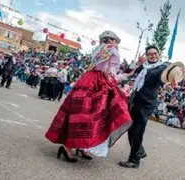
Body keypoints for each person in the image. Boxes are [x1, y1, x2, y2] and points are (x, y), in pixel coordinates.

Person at [45, 30, 132, 163]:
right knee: (95, 114)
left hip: (88, 79)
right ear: (112, 41)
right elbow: (111, 72)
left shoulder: (97, 49)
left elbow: (97, 67)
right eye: (115, 41)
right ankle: (73, 147)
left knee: (79, 112)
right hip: (101, 81)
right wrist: (127, 75)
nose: (115, 44)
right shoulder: (113, 50)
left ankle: (78, 146)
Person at [118, 45, 185, 168]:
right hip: (135, 100)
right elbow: (128, 72)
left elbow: (165, 78)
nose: (153, 56)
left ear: (158, 54)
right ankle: (139, 151)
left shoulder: (162, 68)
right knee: (130, 128)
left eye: (155, 53)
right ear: (147, 56)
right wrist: (136, 64)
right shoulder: (144, 66)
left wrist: (173, 80)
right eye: (150, 54)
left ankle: (134, 160)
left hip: (146, 103)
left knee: (137, 131)